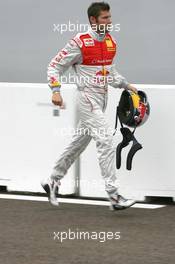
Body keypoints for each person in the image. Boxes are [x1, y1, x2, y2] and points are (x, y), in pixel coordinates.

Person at [41, 2, 138, 210]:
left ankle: (52, 181)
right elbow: (54, 66)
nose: (109, 22)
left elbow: (110, 74)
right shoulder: (80, 41)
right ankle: (114, 196)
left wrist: (127, 85)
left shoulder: (111, 42)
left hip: (102, 99)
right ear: (93, 20)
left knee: (79, 143)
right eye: (104, 18)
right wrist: (55, 91)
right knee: (106, 140)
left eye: (110, 18)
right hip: (86, 98)